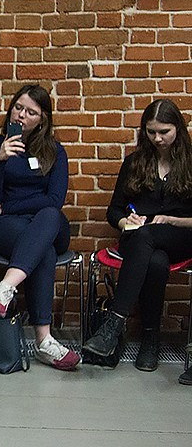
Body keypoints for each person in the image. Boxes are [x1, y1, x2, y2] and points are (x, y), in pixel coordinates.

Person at [82, 99, 192, 380]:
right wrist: (125, 221)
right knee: (154, 260)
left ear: (178, 129)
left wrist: (172, 220)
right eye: (151, 131)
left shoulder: (191, 163)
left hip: (180, 236)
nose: (157, 138)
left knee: (148, 239)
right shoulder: (134, 163)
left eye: (164, 131)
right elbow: (114, 210)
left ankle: (114, 325)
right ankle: (150, 341)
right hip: (141, 240)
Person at [0, 84, 80, 371]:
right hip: (4, 229)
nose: (21, 115)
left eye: (30, 112)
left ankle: (5, 288)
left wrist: (8, 207)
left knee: (48, 215)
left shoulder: (55, 153)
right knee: (42, 252)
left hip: (46, 224)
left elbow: (54, 200)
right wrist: (0, 162)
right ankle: (45, 341)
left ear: (42, 119)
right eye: (18, 108)